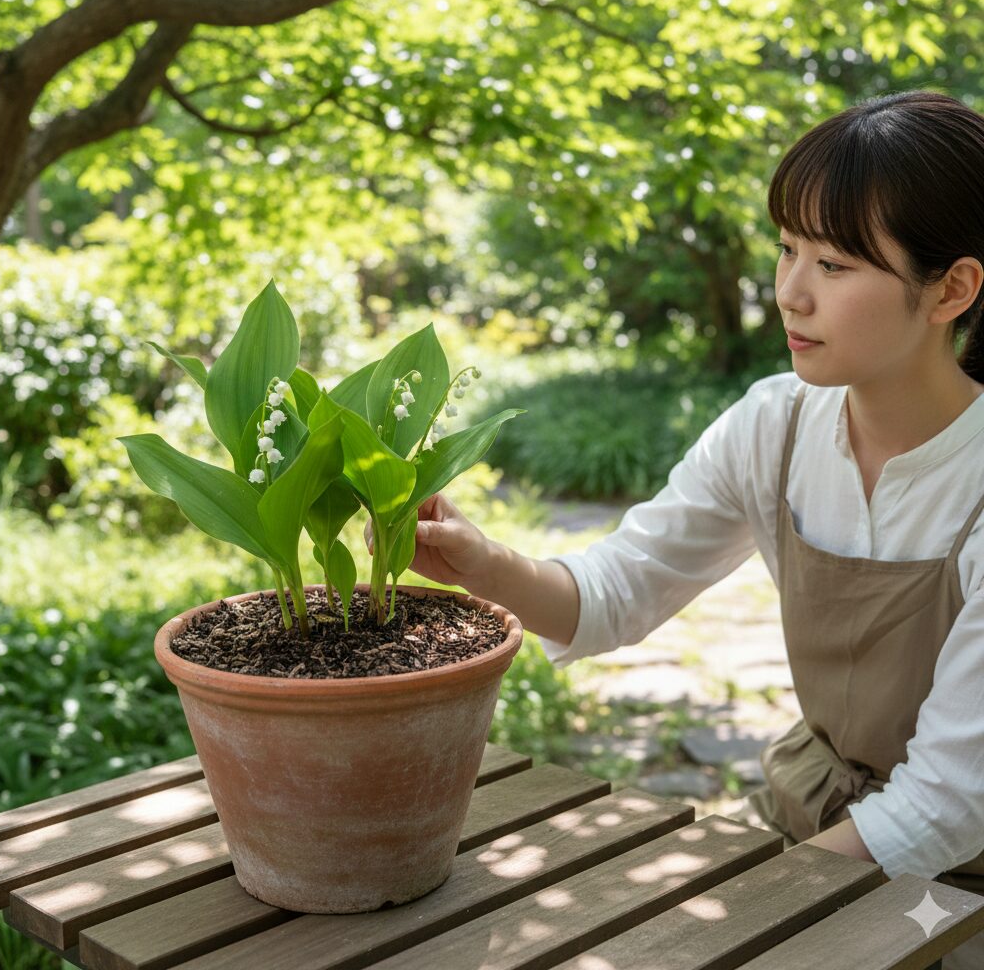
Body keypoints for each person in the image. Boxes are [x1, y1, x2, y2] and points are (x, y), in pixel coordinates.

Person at [366, 89, 984, 968]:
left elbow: (947, 806)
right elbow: (619, 591)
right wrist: (481, 563)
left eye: (836, 266)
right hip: (817, 829)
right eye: (786, 250)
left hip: (956, 881)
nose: (790, 293)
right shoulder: (773, 427)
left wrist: (726, 911)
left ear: (951, 289)